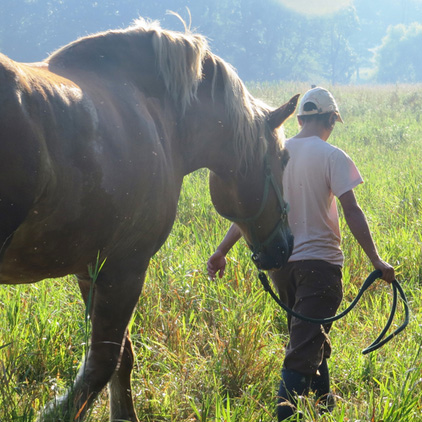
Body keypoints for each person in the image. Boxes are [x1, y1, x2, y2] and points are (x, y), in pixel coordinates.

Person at [207, 87, 395, 420]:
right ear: (328, 119)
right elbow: (352, 211)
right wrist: (376, 261)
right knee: (302, 346)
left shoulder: (277, 153)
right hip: (321, 268)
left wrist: (222, 250)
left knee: (309, 335)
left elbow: (254, 212)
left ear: (301, 118)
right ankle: (284, 414)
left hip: (282, 268)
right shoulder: (334, 156)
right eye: (332, 123)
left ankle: (324, 407)